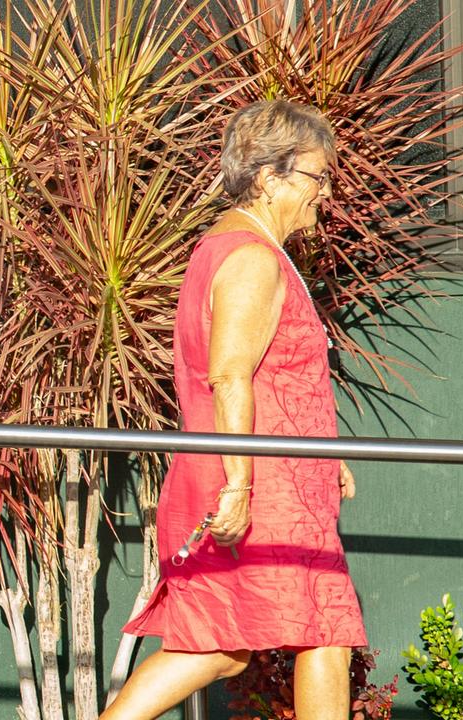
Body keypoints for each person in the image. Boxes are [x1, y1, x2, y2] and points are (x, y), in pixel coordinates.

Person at [101, 100, 366, 720]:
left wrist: (327, 457)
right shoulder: (250, 257)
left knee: (221, 647)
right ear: (271, 176)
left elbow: (273, 378)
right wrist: (241, 485)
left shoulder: (231, 246)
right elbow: (228, 374)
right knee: (324, 630)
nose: (323, 194)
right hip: (254, 481)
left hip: (269, 473)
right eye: (316, 177)